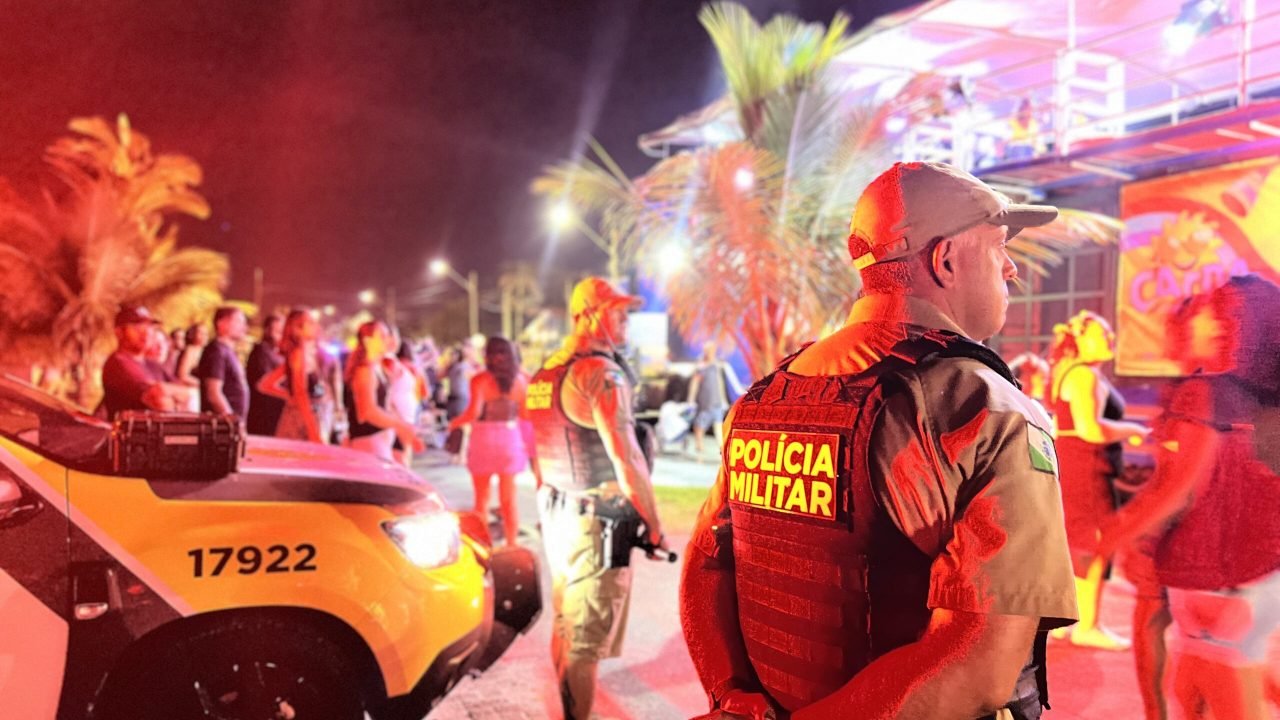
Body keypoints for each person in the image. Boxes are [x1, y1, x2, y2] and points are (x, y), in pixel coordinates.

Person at [680, 161, 1078, 720]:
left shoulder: (767, 397)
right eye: (997, 247)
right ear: (944, 260)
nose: (1011, 269)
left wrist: (729, 696)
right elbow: (978, 669)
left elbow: (704, 561)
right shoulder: (985, 408)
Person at [1097, 275, 1280, 720]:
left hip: (1234, 582)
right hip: (1220, 581)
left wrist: (1107, 537)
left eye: (1233, 315)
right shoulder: (1213, 391)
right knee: (1198, 684)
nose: (1221, 327)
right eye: (1217, 315)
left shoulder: (1215, 394)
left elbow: (1179, 489)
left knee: (1214, 687)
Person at [526, 277, 668, 720]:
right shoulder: (600, 375)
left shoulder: (546, 372)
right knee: (584, 644)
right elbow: (626, 459)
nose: (626, 320)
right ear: (589, 315)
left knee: (567, 628)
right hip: (594, 523)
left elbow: (536, 451)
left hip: (558, 513)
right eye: (617, 311)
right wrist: (655, 525)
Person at [1047, 310, 1149, 650]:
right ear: (1081, 340)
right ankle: (1088, 625)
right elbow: (1090, 428)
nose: (1111, 339)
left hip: (1074, 466)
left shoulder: (1069, 373)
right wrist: (1132, 429)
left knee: (1076, 542)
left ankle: (1068, 620)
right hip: (1088, 468)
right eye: (1103, 334)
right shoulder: (1085, 377)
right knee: (1097, 543)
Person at [448, 336, 534, 547]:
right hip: (509, 440)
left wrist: (454, 423)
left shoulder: (479, 380)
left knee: (481, 500)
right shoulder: (521, 381)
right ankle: (511, 544)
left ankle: (483, 546)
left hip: (483, 441)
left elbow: (473, 413)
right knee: (509, 500)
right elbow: (525, 414)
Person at [343, 320, 422, 462]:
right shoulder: (364, 371)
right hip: (367, 443)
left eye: (388, 335)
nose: (388, 340)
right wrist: (399, 425)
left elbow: (386, 405)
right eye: (382, 336)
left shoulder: (378, 368)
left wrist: (404, 429)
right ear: (368, 341)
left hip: (380, 441)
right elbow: (367, 412)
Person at [99, 306, 195, 418]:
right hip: (134, 433)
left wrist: (171, 395)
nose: (145, 333)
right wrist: (172, 398)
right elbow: (158, 399)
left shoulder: (153, 364)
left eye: (149, 327)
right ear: (119, 332)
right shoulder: (118, 364)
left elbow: (187, 394)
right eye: (137, 327)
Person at [258, 309, 327, 444]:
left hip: (309, 416)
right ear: (298, 329)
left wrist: (289, 395)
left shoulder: (306, 354)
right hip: (301, 421)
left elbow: (265, 384)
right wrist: (313, 432)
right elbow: (301, 394)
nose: (316, 326)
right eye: (311, 323)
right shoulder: (298, 355)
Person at [686, 340, 744, 459]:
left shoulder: (716, 366)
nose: (710, 353)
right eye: (708, 350)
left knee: (718, 425)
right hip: (705, 402)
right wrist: (690, 400)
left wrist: (723, 399)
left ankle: (722, 447)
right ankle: (699, 445)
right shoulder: (700, 366)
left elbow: (720, 383)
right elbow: (694, 384)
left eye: (712, 350)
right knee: (700, 425)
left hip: (716, 401)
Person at [196, 306, 249, 422]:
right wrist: (232, 421)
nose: (244, 327)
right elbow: (213, 393)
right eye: (238, 321)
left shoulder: (228, 351)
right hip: (220, 429)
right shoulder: (216, 351)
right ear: (221, 323)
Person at [246, 313, 285, 435]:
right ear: (267, 330)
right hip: (263, 413)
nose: (281, 335)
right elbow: (263, 383)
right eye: (277, 331)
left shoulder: (278, 353)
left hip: (276, 412)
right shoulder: (261, 351)